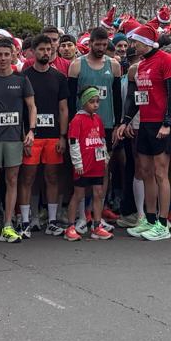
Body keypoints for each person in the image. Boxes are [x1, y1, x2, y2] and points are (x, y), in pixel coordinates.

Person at [121, 20, 171, 241]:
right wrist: (126, 121)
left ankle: (163, 224)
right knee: (144, 170)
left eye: (136, 41)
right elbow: (138, 98)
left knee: (160, 172)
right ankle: (150, 219)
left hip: (161, 124)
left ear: (146, 42)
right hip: (144, 122)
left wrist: (167, 123)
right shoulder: (142, 65)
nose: (133, 45)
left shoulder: (166, 61)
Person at [0, 38, 35, 244]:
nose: (2, 58)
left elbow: (31, 107)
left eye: (6, 54)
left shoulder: (22, 80)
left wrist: (31, 131)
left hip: (14, 139)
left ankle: (8, 225)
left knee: (12, 181)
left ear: (13, 55)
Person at [21, 35, 70, 238]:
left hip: (53, 135)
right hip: (32, 135)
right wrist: (24, 133)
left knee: (51, 177)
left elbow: (64, 109)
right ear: (33, 51)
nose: (46, 53)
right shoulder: (24, 76)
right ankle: (27, 220)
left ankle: (52, 220)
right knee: (29, 177)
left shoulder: (59, 77)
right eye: (41, 49)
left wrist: (63, 136)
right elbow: (21, 108)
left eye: (49, 49)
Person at [65, 88, 114, 240]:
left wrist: (105, 157)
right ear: (84, 102)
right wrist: (77, 163)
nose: (95, 105)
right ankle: (70, 227)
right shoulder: (77, 120)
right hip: (83, 165)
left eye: (97, 101)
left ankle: (97, 226)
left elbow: (102, 140)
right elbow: (73, 142)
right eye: (92, 102)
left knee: (98, 193)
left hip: (96, 165)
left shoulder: (98, 119)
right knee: (78, 194)